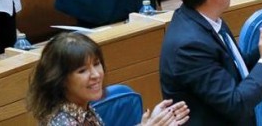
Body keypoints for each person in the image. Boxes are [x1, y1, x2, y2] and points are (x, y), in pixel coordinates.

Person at [27, 32, 190, 125]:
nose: (96, 75)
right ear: (60, 79)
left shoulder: (83, 110)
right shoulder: (63, 122)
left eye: (97, 64)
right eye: (82, 70)